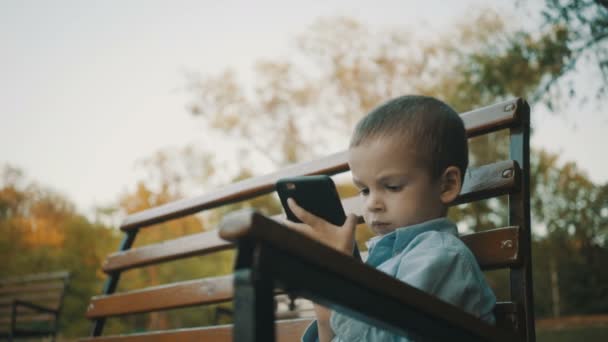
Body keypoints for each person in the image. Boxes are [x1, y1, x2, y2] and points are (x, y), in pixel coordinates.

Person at [282, 95, 496, 341]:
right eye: (364, 190)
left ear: (447, 185)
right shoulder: (378, 264)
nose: (372, 203)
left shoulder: (442, 258)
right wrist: (326, 307)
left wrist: (340, 278)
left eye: (392, 187)